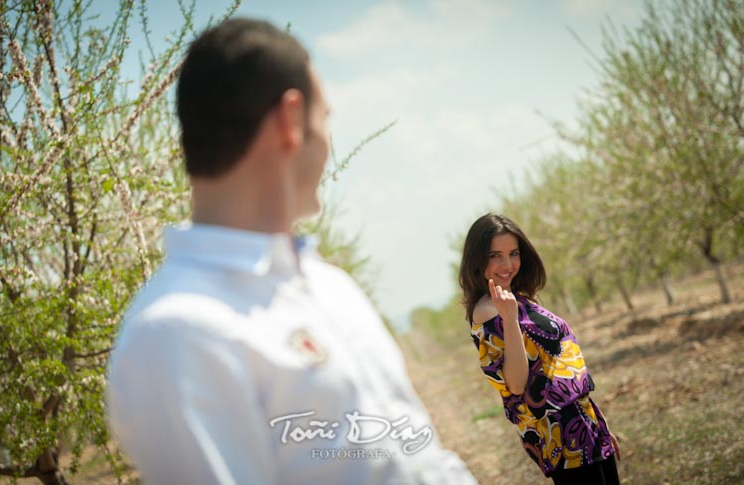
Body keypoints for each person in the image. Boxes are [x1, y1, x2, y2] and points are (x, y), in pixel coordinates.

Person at [106, 18, 475, 484]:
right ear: (290, 120)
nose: (328, 141)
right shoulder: (178, 334)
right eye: (326, 120)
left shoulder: (330, 285)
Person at [458, 213, 621, 484]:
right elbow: (518, 384)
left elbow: (560, 364)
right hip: (559, 433)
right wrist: (509, 320)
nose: (507, 264)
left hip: (583, 422)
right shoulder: (488, 311)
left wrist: (597, 420)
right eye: (495, 255)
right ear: (478, 260)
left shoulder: (517, 300)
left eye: (513, 253)